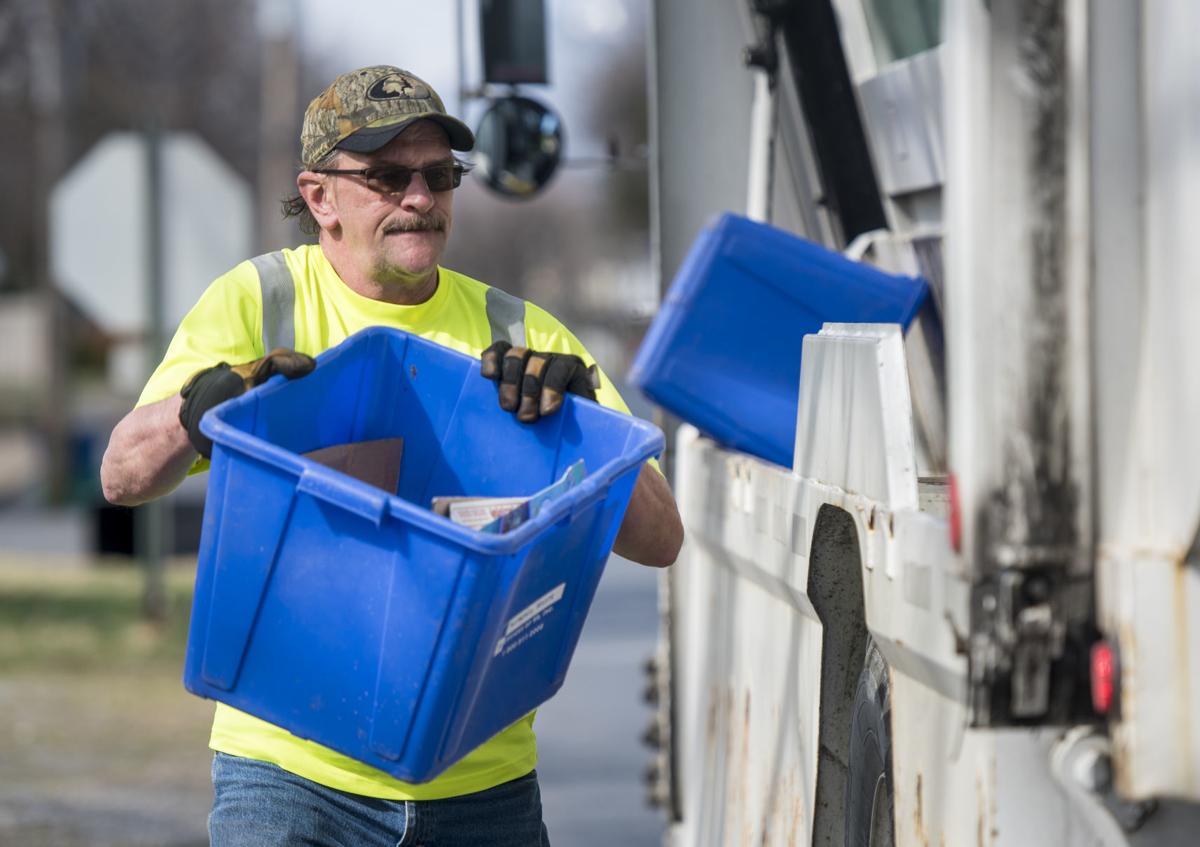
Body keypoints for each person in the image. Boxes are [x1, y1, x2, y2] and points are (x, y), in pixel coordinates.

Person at [99, 65, 683, 846]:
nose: (419, 199)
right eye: (386, 176)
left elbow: (662, 537)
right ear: (319, 197)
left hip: (483, 790)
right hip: (289, 778)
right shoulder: (261, 303)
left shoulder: (521, 334)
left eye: (439, 175)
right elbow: (122, 474)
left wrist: (577, 421)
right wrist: (196, 412)